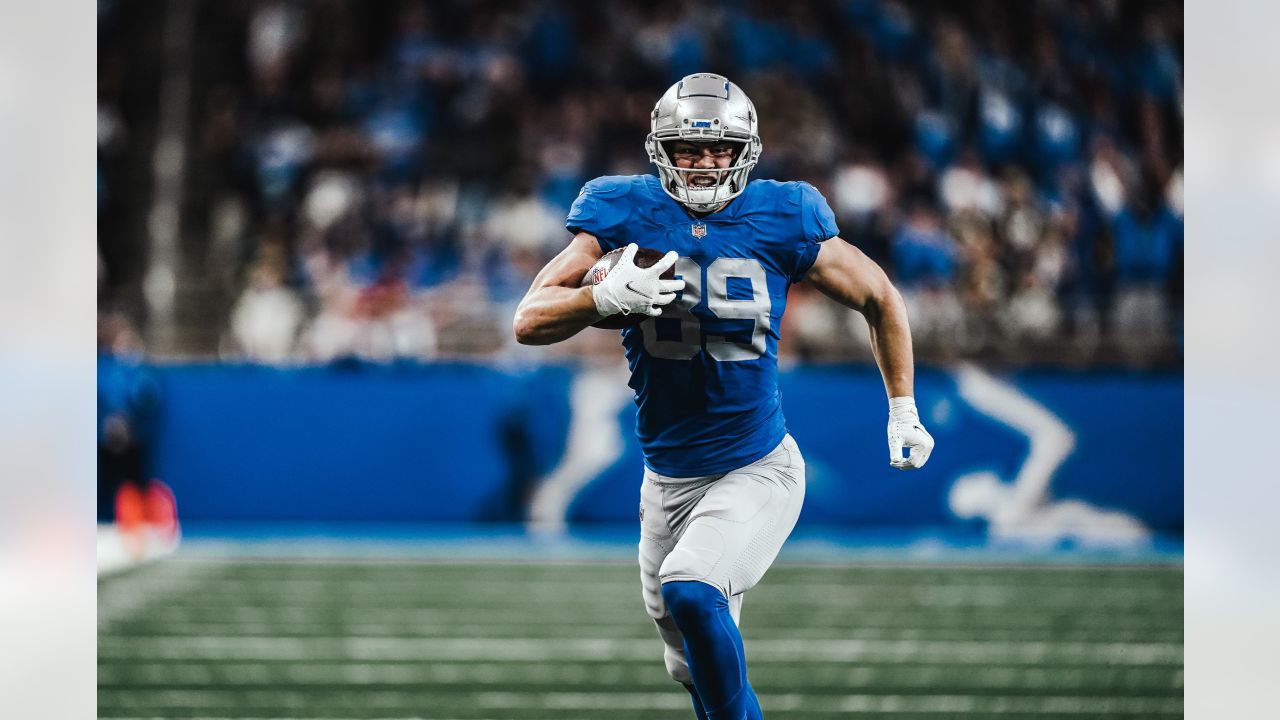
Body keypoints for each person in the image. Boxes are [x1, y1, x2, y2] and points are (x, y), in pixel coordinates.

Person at [513, 73, 935, 720]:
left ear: (747, 151)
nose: (705, 164)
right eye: (689, 149)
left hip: (755, 467)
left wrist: (903, 406)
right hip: (666, 482)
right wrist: (598, 297)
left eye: (719, 150)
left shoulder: (784, 214)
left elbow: (880, 296)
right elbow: (528, 318)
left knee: (692, 589)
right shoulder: (622, 210)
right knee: (693, 674)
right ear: (662, 151)